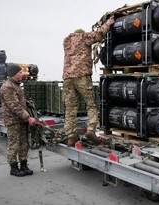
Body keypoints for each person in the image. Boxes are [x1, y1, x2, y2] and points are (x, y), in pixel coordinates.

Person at [63, 16, 115, 147]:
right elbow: (98, 35)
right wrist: (108, 24)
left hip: (67, 78)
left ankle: (71, 137)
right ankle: (91, 129)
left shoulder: (66, 41)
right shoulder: (82, 37)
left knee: (70, 109)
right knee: (90, 105)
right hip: (82, 76)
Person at [0, 64, 36, 177]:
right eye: (20, 72)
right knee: (14, 145)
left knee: (24, 144)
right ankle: (14, 167)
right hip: (13, 120)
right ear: (14, 74)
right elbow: (14, 106)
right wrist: (28, 117)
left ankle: (24, 165)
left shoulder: (16, 86)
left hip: (21, 120)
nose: (22, 74)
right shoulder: (7, 87)